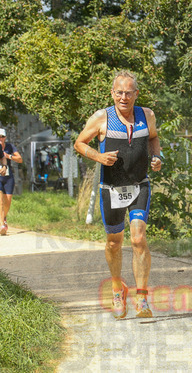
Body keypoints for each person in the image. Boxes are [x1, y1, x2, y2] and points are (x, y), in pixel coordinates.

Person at [74, 70, 162, 319]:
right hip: (111, 188)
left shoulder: (147, 115)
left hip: (139, 185)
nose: (124, 97)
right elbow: (79, 143)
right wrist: (99, 157)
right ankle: (117, 289)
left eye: (128, 93)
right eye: (119, 93)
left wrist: (157, 157)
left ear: (136, 94)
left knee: (138, 238)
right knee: (114, 242)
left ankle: (142, 298)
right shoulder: (102, 117)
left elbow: (154, 138)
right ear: (113, 93)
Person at [0, 129, 23, 235]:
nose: (1, 138)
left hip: (8, 177)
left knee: (8, 201)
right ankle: (2, 224)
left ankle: (3, 217)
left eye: (2, 136)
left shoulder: (10, 146)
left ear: (5, 137)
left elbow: (20, 159)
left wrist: (8, 156)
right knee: (0, 201)